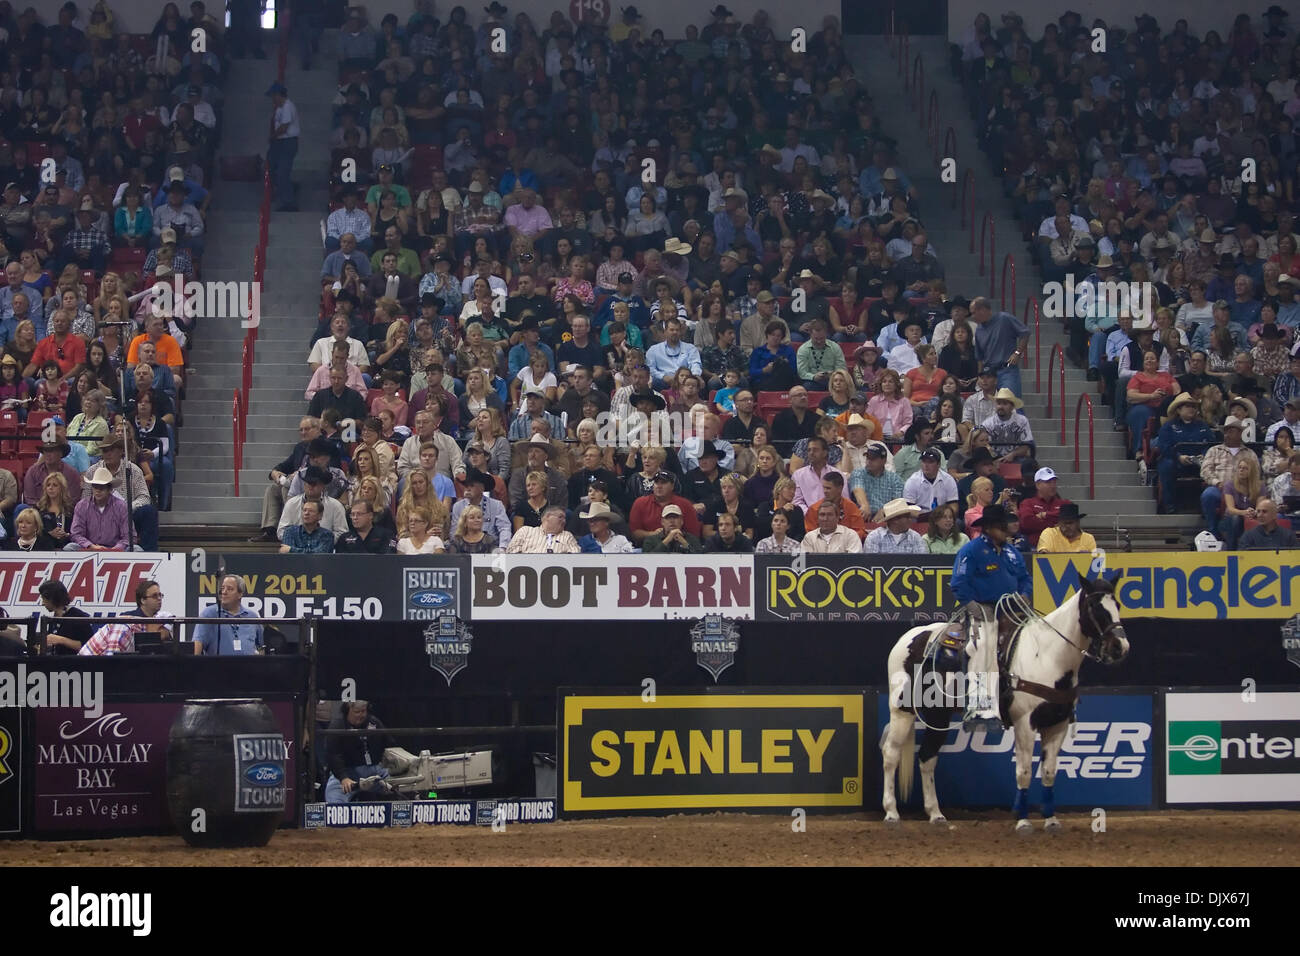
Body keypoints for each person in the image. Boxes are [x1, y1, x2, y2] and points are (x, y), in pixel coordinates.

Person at [950, 503, 1032, 731]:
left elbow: (1025, 578)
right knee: (982, 645)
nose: (1005, 531)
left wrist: (1025, 595)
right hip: (983, 608)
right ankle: (980, 706)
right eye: (1000, 527)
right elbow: (958, 583)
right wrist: (972, 607)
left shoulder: (1011, 552)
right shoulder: (972, 550)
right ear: (988, 528)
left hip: (1012, 609)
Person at [324, 700, 394, 805]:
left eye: (363, 711)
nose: (361, 715)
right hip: (347, 774)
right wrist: (343, 777)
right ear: (348, 709)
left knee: (401, 783)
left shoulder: (373, 722)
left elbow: (390, 744)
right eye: (357, 712)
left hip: (374, 771)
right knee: (333, 797)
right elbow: (333, 754)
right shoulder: (337, 725)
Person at [78, 579, 172, 655]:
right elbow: (111, 656)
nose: (159, 599)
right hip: (88, 667)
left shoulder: (154, 619)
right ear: (143, 600)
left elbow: (170, 620)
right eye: (155, 596)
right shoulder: (126, 622)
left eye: (160, 595)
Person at [968, 296, 1029, 396]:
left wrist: (1017, 353)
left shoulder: (1004, 318)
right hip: (989, 373)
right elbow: (979, 357)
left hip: (1007, 370)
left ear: (983, 310)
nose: (972, 316)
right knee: (991, 407)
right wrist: (980, 376)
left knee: (1010, 403)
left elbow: (1025, 333)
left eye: (974, 312)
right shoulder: (978, 330)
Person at [193, 575, 264, 656]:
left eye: (229, 589)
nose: (224, 592)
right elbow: (197, 644)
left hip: (248, 667)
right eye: (222, 588)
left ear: (240, 594)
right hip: (217, 667)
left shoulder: (252, 617)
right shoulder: (209, 614)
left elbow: (262, 647)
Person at [68, 466, 132, 551]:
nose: (98, 490)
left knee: (136, 549)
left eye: (102, 487)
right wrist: (91, 546)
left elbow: (128, 536)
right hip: (89, 548)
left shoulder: (121, 506)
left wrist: (115, 549)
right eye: (95, 486)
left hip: (116, 550)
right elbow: (76, 534)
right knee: (70, 547)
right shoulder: (82, 505)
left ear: (109, 489)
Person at [37, 580, 93, 655]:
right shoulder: (52, 619)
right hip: (56, 664)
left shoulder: (78, 617)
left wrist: (61, 640)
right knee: (23, 666)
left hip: (75, 665)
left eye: (44, 599)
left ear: (52, 599)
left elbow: (90, 646)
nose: (42, 603)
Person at [267, 83, 300, 211]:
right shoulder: (280, 108)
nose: (272, 98)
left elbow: (284, 127)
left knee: (282, 173)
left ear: (278, 95)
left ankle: (289, 202)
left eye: (273, 96)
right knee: (273, 169)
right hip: (280, 142)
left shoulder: (287, 106)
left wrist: (273, 136)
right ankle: (290, 188)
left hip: (287, 142)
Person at [862, 498, 928, 554]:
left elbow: (922, 563)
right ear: (895, 520)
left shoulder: (915, 537)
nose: (910, 520)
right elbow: (871, 564)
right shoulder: (875, 537)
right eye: (907, 517)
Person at [507, 506, 580, 553]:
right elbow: (511, 552)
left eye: (565, 518)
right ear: (548, 516)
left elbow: (575, 555)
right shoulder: (526, 531)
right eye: (560, 517)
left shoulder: (567, 536)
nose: (564, 521)